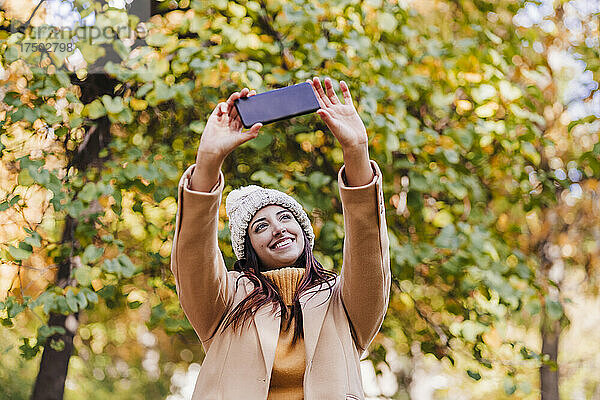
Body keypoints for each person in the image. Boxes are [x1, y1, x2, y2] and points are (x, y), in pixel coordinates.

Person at [170, 76, 391, 399]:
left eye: (286, 217)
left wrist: (356, 150)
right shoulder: (225, 303)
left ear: (303, 231)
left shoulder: (343, 304)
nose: (278, 228)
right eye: (260, 226)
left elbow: (369, 247)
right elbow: (192, 255)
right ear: (248, 251)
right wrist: (208, 159)